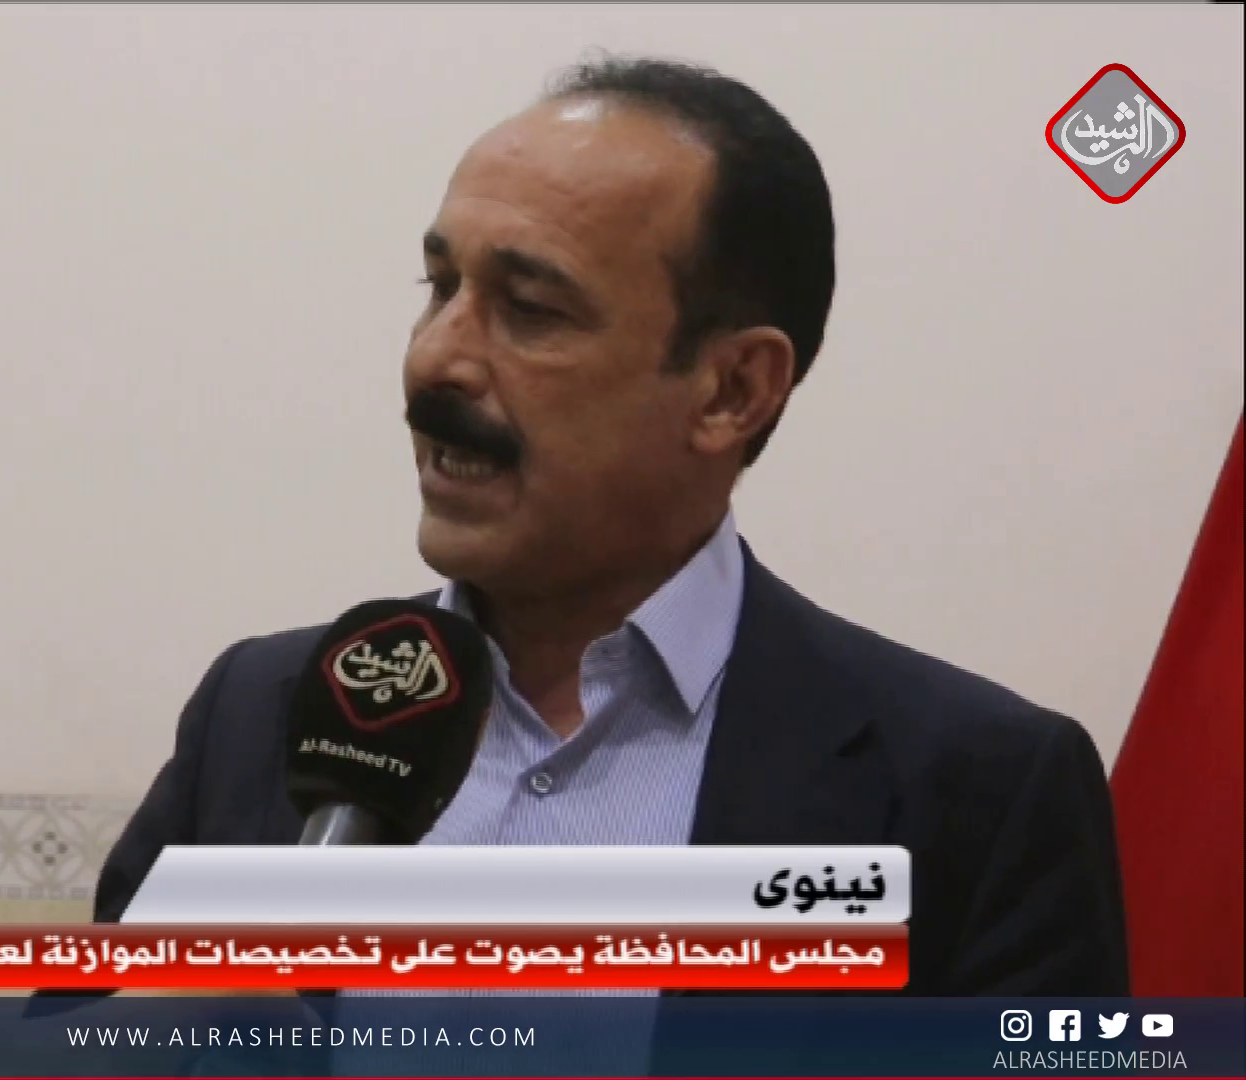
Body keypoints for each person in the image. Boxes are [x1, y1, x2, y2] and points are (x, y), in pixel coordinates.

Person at [94, 54, 1127, 996]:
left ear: (732, 390)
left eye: (530, 309)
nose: (435, 359)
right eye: (440, 287)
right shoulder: (260, 713)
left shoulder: (978, 794)